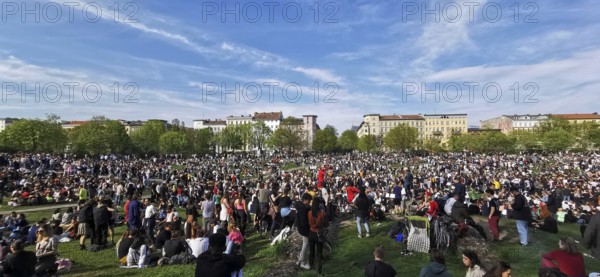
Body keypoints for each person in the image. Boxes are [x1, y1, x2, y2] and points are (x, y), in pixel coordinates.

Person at [308, 197, 329, 274]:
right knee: (319, 252)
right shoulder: (323, 214)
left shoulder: (309, 213)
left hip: (311, 232)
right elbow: (326, 224)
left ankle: (311, 266)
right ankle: (319, 269)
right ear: (319, 204)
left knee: (311, 251)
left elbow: (309, 223)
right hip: (319, 233)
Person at [296, 193, 312, 270]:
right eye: (309, 200)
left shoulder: (302, 207)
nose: (309, 202)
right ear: (305, 199)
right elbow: (304, 221)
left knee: (305, 244)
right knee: (305, 244)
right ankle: (302, 262)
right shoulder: (303, 208)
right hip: (304, 228)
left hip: (302, 228)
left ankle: (300, 261)